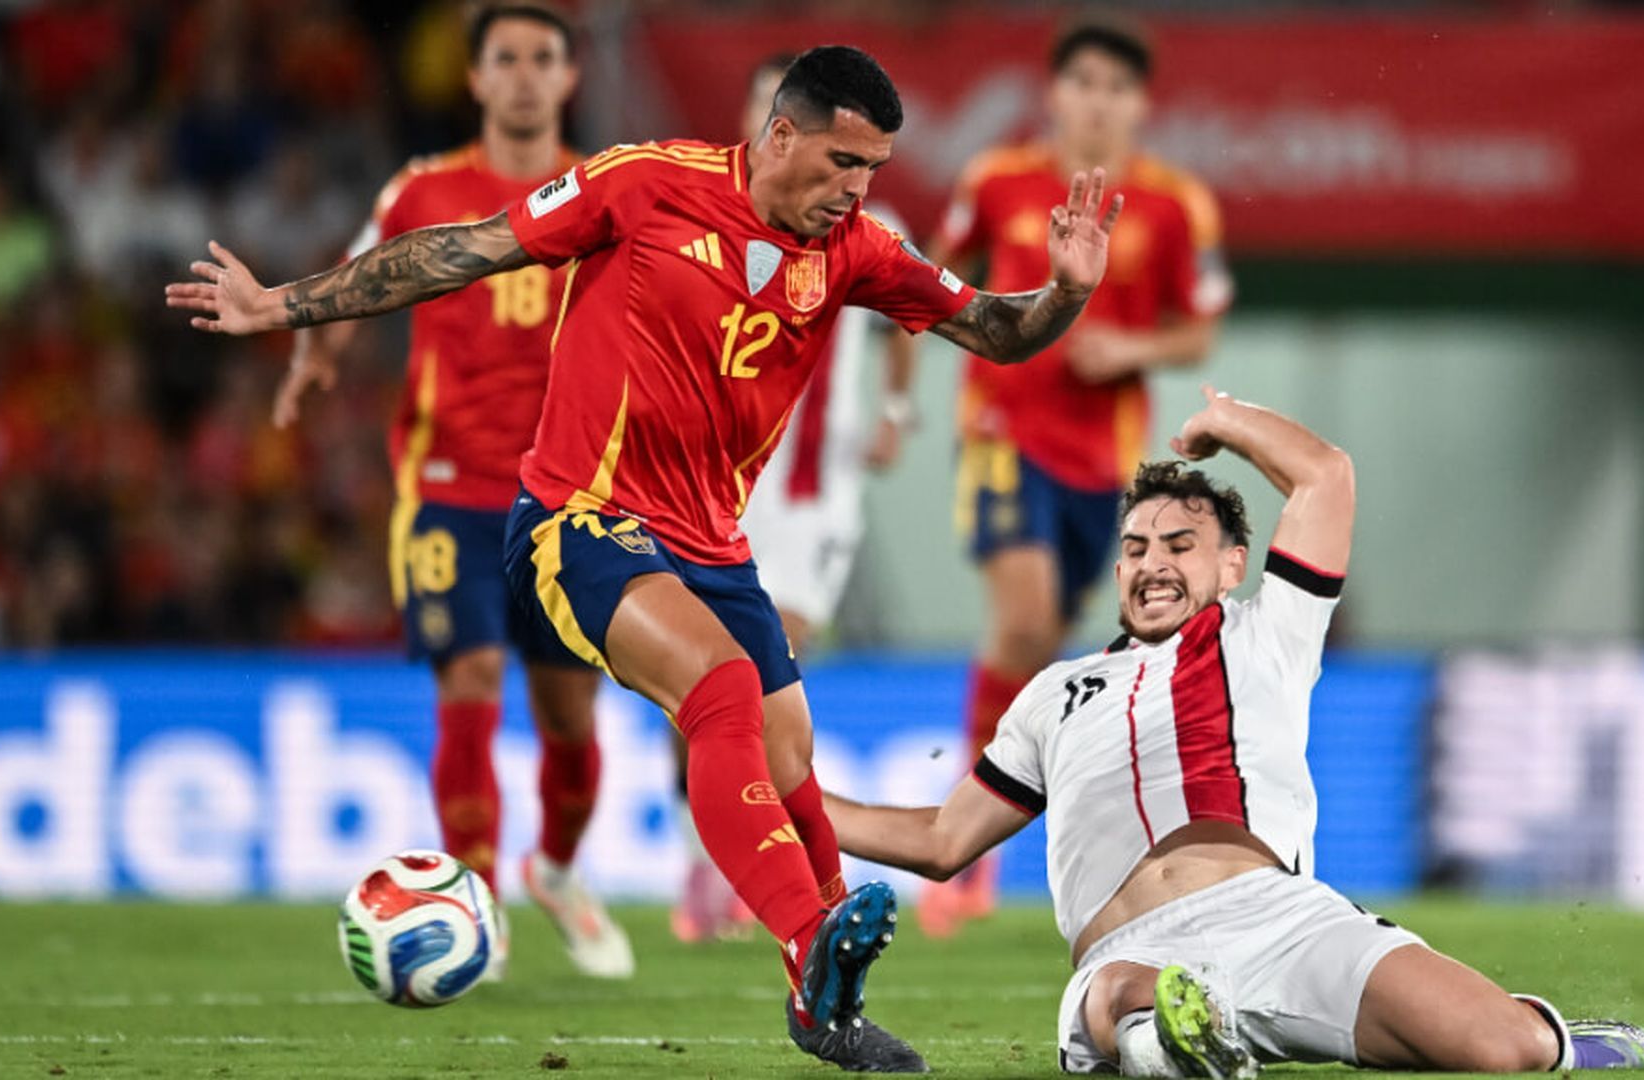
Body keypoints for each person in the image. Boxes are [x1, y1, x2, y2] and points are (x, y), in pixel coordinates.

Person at [167, 45, 1121, 1073]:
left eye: (875, 170)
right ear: (781, 134)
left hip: (715, 544)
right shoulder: (646, 183)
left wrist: (1064, 295)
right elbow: (466, 248)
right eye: (843, 161)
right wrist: (283, 305)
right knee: (717, 691)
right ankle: (810, 947)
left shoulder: (856, 251)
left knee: (789, 755)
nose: (857, 189)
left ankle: (829, 1004)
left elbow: (995, 330)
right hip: (579, 514)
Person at [822, 386, 1644, 1076]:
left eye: (1180, 543)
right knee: (1119, 995)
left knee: (1505, 1051)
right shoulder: (1052, 694)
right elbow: (942, 840)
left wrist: (1225, 421)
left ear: (1233, 563)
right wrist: (788, 796)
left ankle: (1554, 1036)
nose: (1152, 562)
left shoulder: (1269, 632)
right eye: (1135, 546)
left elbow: (1325, 477)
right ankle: (1185, 1033)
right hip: (1128, 948)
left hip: (1283, 921)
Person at [266, 2, 630, 982]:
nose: (521, 75)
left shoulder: (604, 196)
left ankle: (555, 868)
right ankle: (479, 906)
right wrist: (317, 355)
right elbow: (362, 278)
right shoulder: (424, 191)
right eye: (503, 58)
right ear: (473, 80)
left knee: (569, 720)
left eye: (540, 59)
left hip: (567, 497)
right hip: (444, 490)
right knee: (467, 690)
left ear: (568, 77)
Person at [922, 20, 1233, 937]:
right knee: (1021, 617)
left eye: (1117, 87)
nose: (1098, 101)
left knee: (1049, 656)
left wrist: (1130, 346)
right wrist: (1003, 335)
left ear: (1141, 103)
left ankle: (1001, 824)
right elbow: (939, 282)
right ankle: (961, 848)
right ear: (1053, 92)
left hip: (1105, 462)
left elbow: (1200, 330)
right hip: (1001, 429)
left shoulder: (1180, 205)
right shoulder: (995, 180)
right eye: (1083, 82)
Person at [668, 52, 921, 946]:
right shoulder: (697, 206)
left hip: (814, 487)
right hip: (710, 482)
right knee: (702, 681)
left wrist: (894, 410)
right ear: (770, 120)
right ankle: (712, 859)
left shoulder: (862, 223)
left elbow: (906, 323)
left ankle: (756, 878)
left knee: (778, 650)